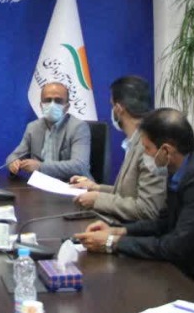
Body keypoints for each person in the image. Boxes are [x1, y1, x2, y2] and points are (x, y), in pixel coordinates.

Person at [74, 108, 194, 300]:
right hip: (193, 267)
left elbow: (175, 247)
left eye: (147, 149)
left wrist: (112, 243)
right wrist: (119, 231)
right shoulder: (182, 168)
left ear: (166, 151)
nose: (145, 155)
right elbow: (164, 222)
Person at [68, 76, 166, 221]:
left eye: (112, 105)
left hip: (134, 230)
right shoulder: (134, 140)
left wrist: (98, 199)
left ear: (119, 109)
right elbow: (128, 193)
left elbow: (147, 209)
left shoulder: (149, 146)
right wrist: (95, 188)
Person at [6, 82, 91, 182]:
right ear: (41, 105)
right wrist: (13, 162)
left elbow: (80, 166)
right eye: (48, 100)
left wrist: (40, 167)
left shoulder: (78, 127)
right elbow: (14, 156)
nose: (52, 105)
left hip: (72, 185)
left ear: (67, 106)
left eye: (58, 101)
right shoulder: (33, 127)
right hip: (40, 185)